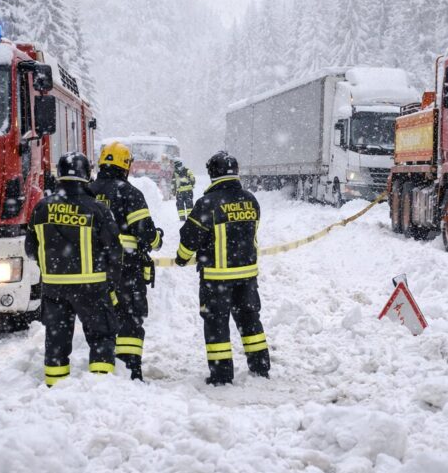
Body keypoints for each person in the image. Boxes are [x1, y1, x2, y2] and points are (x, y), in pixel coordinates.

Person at [25, 152, 121, 387]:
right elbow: (114, 251)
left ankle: (54, 386)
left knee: (57, 339)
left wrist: (51, 267)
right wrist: (111, 283)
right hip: (92, 287)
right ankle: (101, 385)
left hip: (54, 288)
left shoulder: (41, 208)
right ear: (87, 175)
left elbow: (30, 248)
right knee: (101, 336)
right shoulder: (97, 209)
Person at [175, 151, 270, 385]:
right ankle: (260, 367)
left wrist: (181, 258)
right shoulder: (251, 199)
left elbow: (189, 238)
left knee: (217, 324)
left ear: (212, 173)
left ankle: (221, 375)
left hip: (216, 278)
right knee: (250, 320)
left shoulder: (208, 203)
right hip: (247, 276)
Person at [89, 141, 164, 381]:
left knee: (101, 318)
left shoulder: (88, 192)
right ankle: (130, 370)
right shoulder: (129, 193)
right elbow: (146, 233)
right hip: (126, 269)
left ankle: (102, 368)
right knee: (130, 319)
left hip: (93, 269)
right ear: (126, 165)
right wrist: (157, 239)